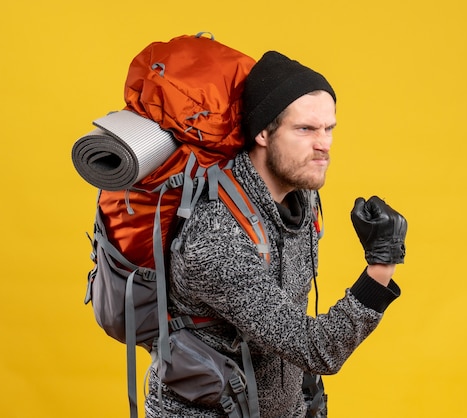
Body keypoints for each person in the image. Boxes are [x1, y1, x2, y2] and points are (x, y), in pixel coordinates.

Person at [144, 50, 407, 417]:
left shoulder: (303, 198)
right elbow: (314, 349)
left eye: (329, 128)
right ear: (264, 132)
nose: (324, 144)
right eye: (306, 129)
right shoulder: (215, 233)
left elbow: (285, 333)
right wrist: (381, 266)